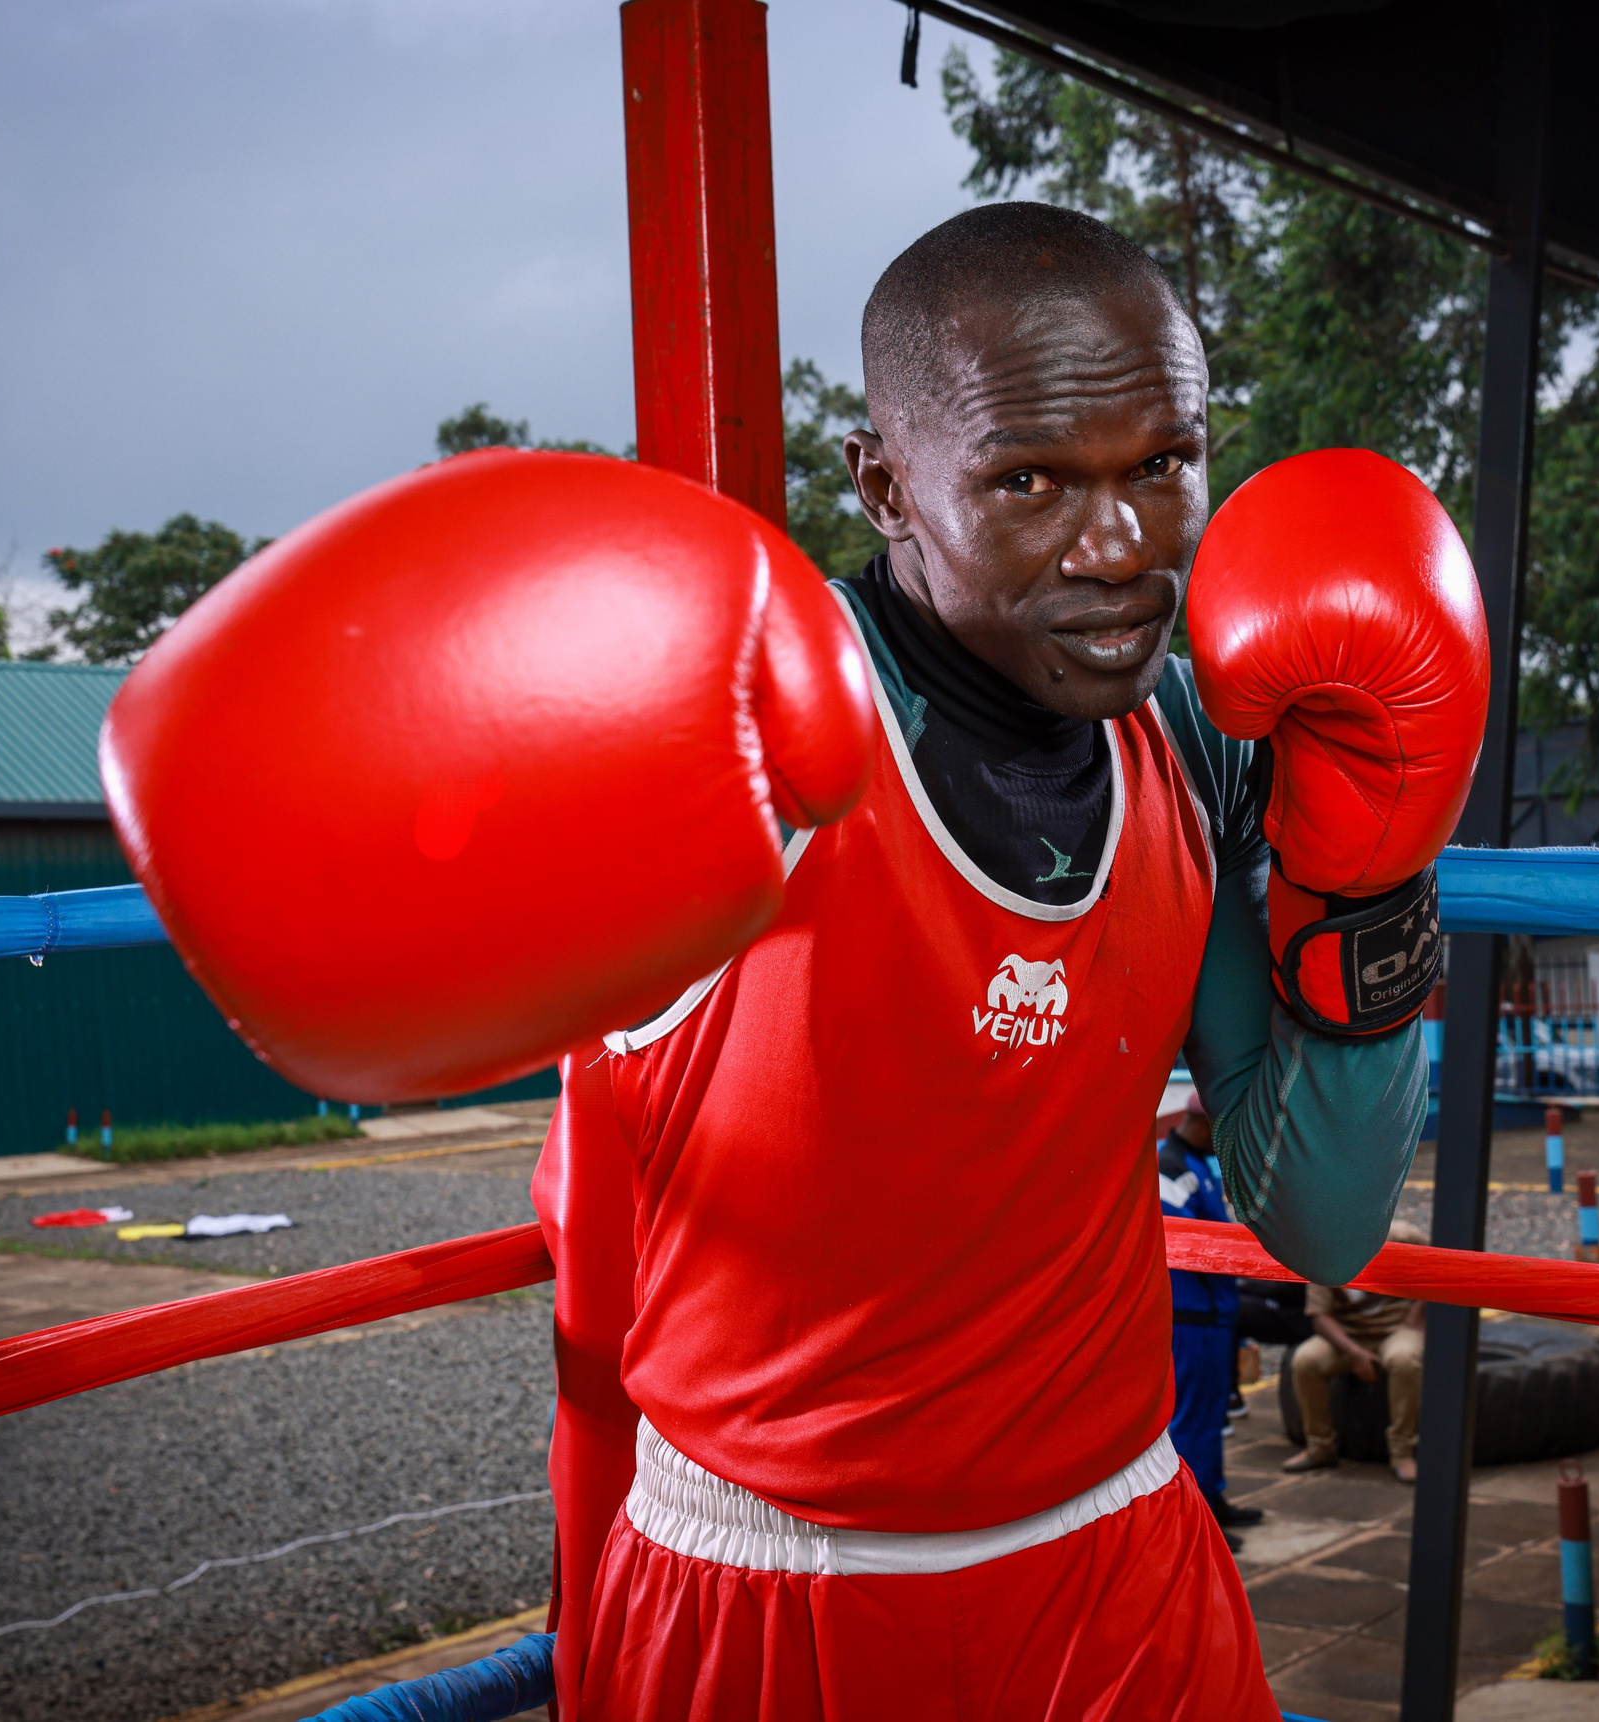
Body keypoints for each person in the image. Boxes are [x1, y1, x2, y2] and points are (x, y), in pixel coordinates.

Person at [114, 199, 1487, 1721]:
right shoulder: (732, 737)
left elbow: (1321, 1216)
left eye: (1164, 464)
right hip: (773, 1599)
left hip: (1116, 1553)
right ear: (886, 483)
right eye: (1030, 480)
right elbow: (587, 1230)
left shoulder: (1183, 738)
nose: (1123, 547)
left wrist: (1366, 875)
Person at [1158, 1098, 1266, 1547]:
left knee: (1213, 1415)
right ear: (1206, 1125)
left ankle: (1213, 1501)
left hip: (1215, 1314)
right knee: (1192, 1419)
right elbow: (1191, 1245)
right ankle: (1193, 1524)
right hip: (1191, 1317)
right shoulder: (1168, 1167)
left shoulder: (1198, 1161)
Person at [1281, 1220, 1428, 1483]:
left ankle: (1402, 1451)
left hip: (1398, 1327)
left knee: (1404, 1360)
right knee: (1305, 1360)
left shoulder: (1404, 1236)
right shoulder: (1325, 1251)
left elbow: (1440, 1266)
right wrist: (1354, 1352)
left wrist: (1417, 1313)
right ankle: (1320, 1446)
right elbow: (1319, 1316)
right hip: (1349, 1332)